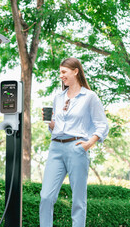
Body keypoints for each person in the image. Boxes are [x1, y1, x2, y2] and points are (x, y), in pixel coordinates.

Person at [39, 57, 109, 227]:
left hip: (77, 147)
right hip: (56, 147)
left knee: (78, 199)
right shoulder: (59, 97)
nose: (61, 76)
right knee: (46, 196)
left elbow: (102, 125)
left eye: (64, 72)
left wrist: (88, 144)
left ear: (75, 71)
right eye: (60, 72)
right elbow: (56, 127)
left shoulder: (89, 97)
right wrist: (50, 123)